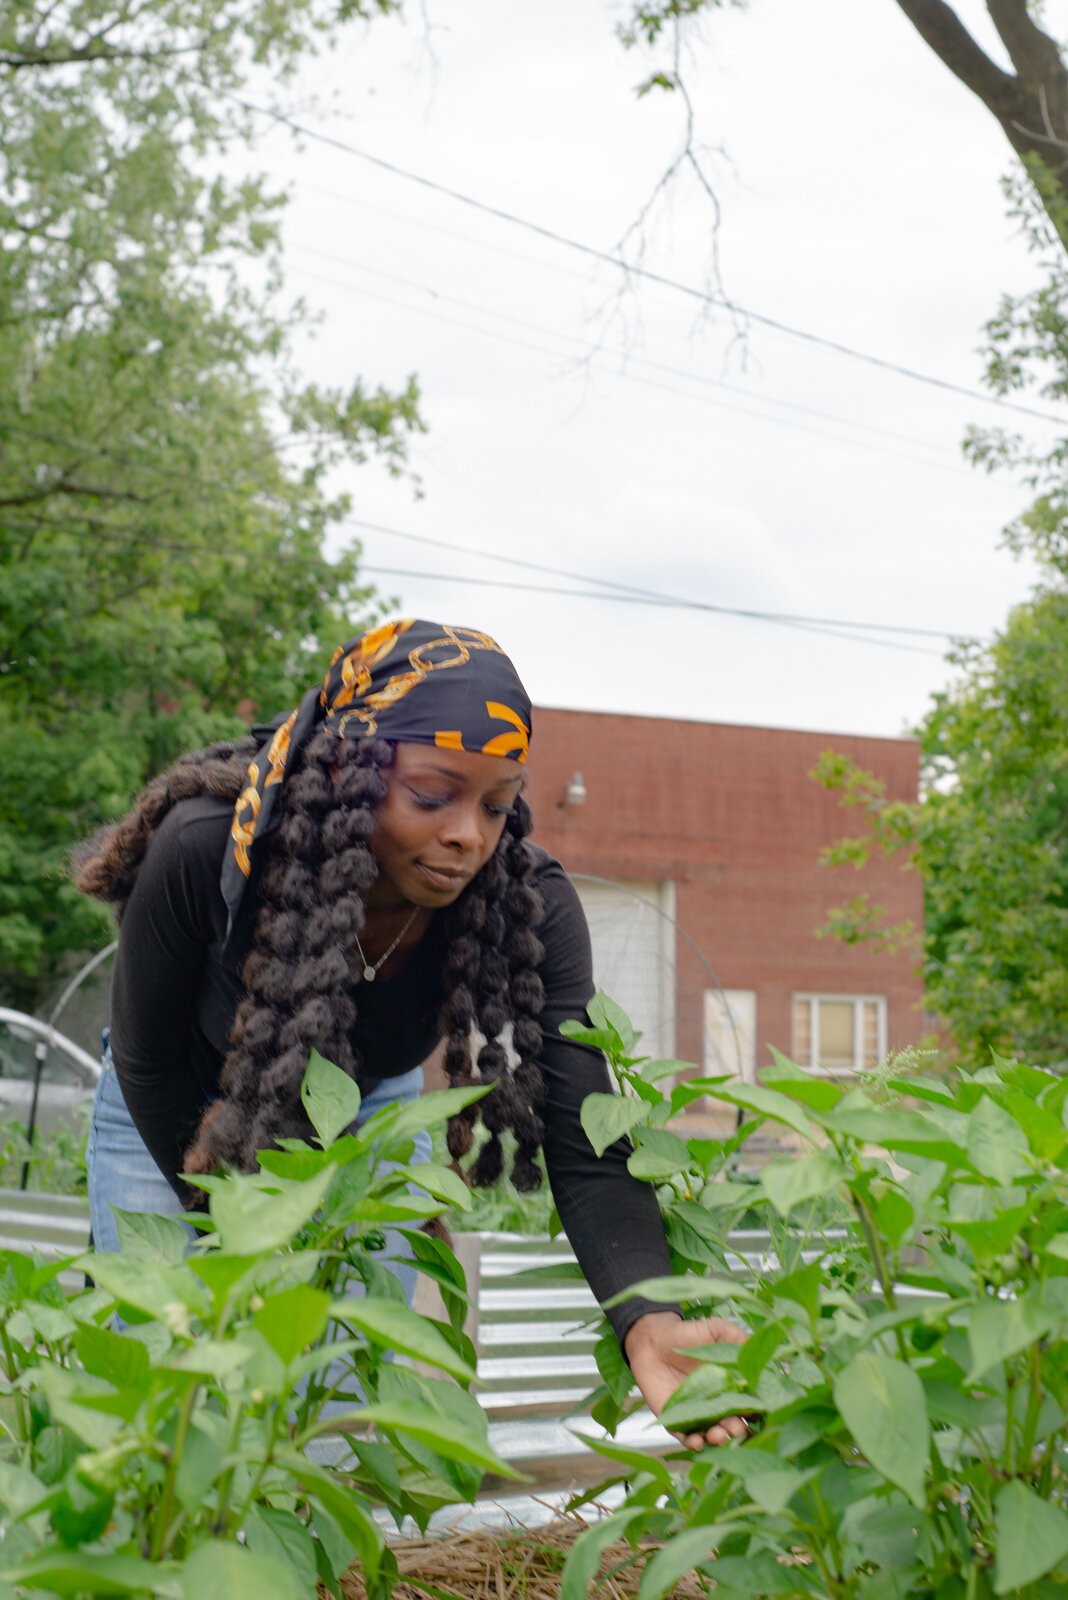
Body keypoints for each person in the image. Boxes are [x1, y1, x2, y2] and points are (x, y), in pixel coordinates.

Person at [74, 618, 747, 1449]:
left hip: (363, 1114)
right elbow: (144, 1060)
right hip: (179, 1104)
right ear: (351, 771)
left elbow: (582, 1132)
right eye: (432, 795)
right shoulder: (210, 847)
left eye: (497, 805)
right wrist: (237, 1228)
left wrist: (650, 1317)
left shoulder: (525, 906)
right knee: (163, 1404)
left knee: (333, 1402)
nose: (468, 832)